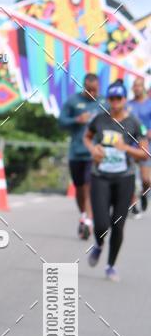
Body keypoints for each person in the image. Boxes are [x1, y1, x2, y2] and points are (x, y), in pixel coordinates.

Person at [83, 79, 147, 281]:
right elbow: (87, 137)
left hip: (124, 179)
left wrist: (126, 148)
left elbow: (144, 153)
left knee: (118, 225)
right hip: (100, 176)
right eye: (112, 98)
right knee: (101, 224)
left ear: (124, 99)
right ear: (108, 99)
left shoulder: (134, 123)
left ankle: (111, 266)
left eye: (119, 97)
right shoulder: (99, 119)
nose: (116, 101)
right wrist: (93, 149)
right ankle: (99, 245)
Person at [58, 73, 104, 239]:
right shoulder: (73, 101)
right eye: (89, 90)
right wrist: (77, 119)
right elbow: (61, 122)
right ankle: (84, 215)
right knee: (79, 188)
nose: (92, 93)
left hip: (94, 153)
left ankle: (88, 221)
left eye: (95, 90)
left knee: (88, 186)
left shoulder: (103, 102)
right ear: (84, 87)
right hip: (76, 152)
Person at [127, 77, 151, 215]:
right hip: (130, 144)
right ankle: (133, 204)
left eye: (139, 86)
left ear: (143, 87)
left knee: (147, 180)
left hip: (146, 145)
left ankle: (144, 194)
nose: (137, 88)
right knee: (129, 177)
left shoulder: (149, 104)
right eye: (134, 86)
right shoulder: (127, 105)